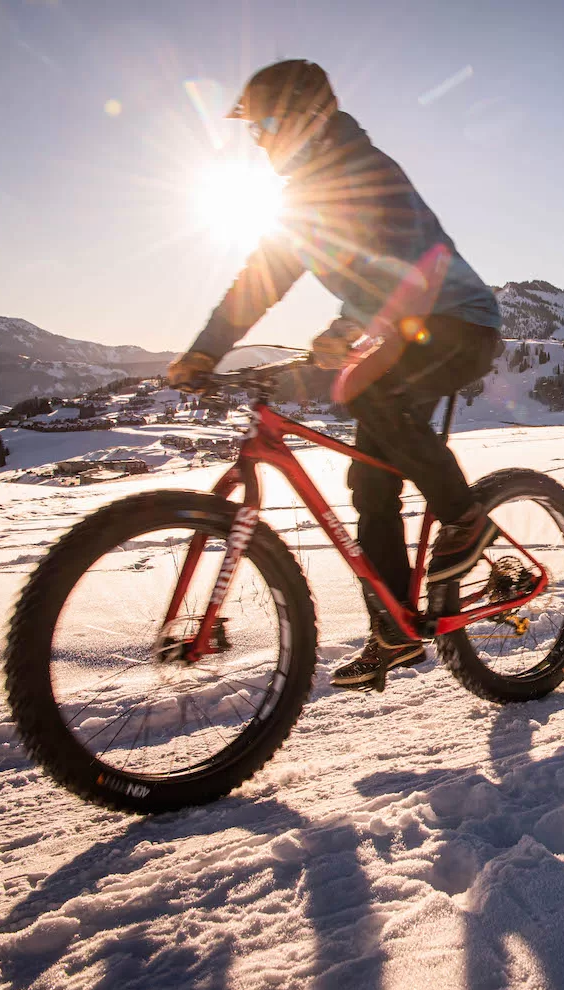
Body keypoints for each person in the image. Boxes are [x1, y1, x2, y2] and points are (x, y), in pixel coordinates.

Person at [167, 59, 503, 691]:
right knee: (372, 484)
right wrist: (205, 352)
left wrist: (348, 327)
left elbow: (411, 265)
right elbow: (256, 285)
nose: (261, 138)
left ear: (312, 118)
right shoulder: (298, 202)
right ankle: (396, 630)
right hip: (398, 332)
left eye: (269, 121)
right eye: (253, 128)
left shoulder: (368, 173)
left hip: (458, 323)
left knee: (373, 393)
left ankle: (465, 516)